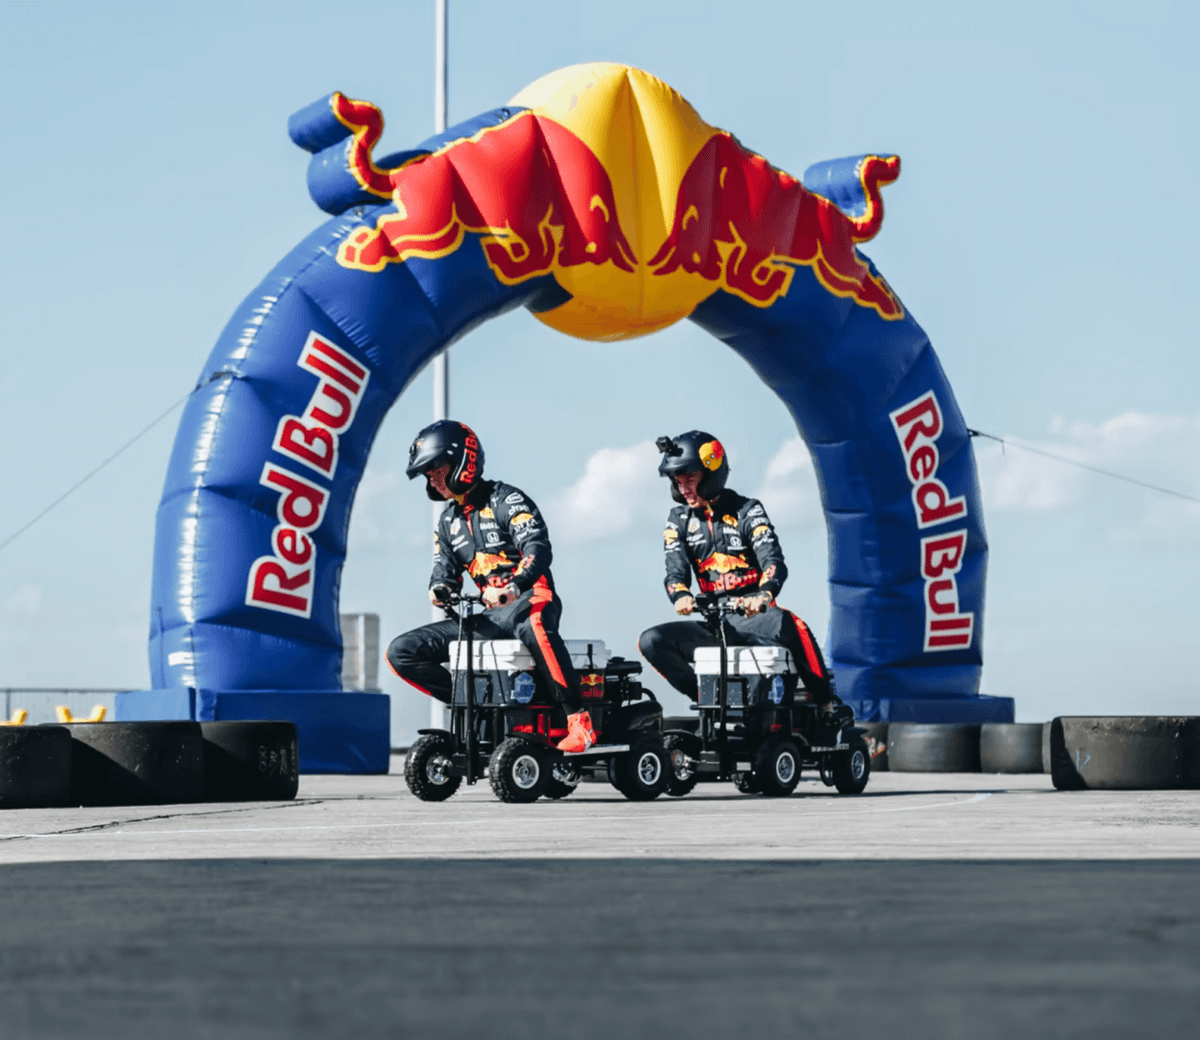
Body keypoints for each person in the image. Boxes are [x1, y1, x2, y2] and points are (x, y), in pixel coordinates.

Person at [386, 420, 594, 752]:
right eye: (427, 474)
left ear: (463, 462)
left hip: (532, 599)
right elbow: (444, 571)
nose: (432, 479)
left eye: (436, 469)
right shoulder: (447, 520)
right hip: (491, 618)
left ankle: (579, 721)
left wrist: (515, 586)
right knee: (401, 652)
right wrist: (439, 588)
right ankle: (476, 709)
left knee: (536, 621)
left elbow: (538, 549)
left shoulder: (507, 499)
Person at [637, 430, 850, 722]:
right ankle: (707, 699)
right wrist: (681, 594)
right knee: (650, 641)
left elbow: (773, 560)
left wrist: (763, 596)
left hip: (754, 616)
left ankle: (828, 704)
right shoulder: (678, 520)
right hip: (714, 624)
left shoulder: (748, 510)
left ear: (712, 473)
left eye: (690, 479)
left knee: (793, 624)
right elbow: (674, 572)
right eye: (677, 480)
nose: (683, 488)